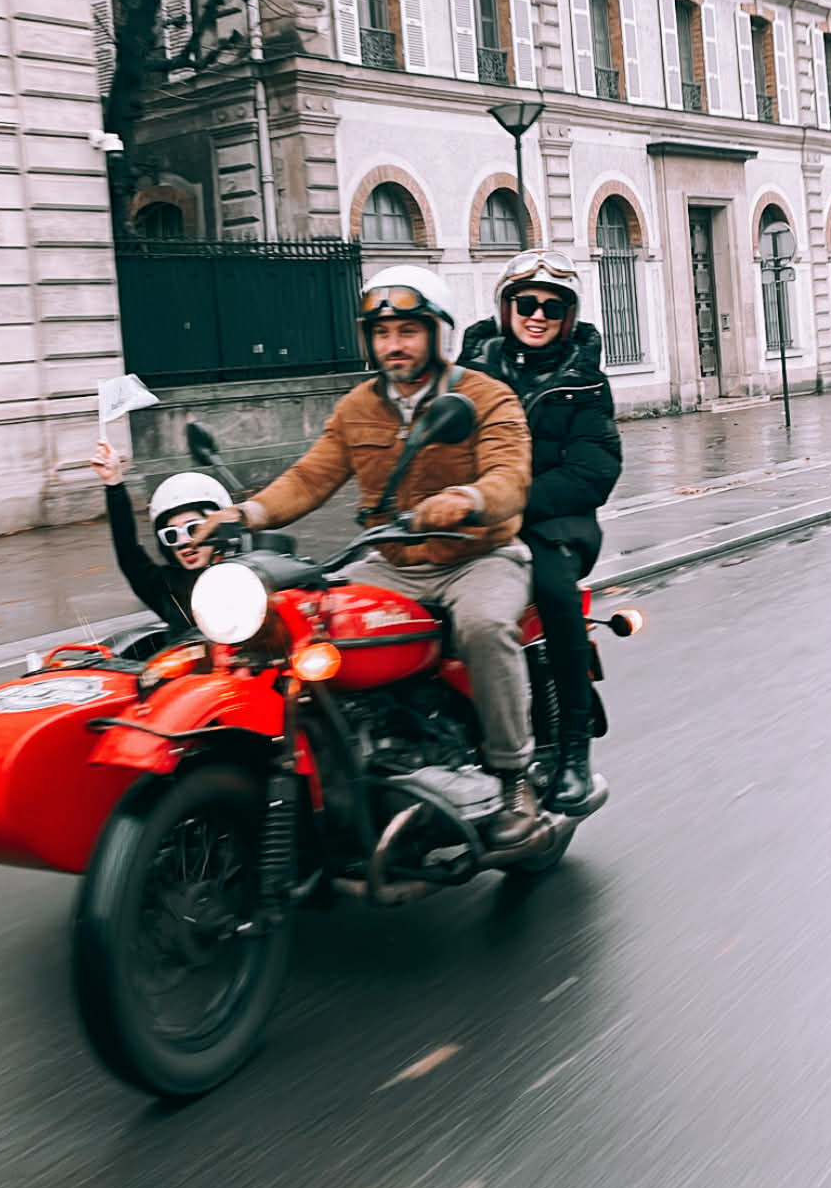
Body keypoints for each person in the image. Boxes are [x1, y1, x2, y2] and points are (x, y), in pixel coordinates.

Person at [192, 264, 539, 848]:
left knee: (482, 627)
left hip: (477, 556)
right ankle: (335, 763)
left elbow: (512, 476)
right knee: (296, 619)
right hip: (391, 561)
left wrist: (467, 498)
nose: (393, 345)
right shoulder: (358, 407)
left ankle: (513, 775)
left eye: (407, 330)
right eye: (381, 334)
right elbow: (310, 477)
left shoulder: (484, 396)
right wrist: (243, 514)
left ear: (437, 333)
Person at [458, 249, 623, 812]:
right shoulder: (470, 372)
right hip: (474, 518)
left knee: (555, 593)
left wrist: (509, 503)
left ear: (568, 317)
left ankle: (574, 749)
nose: (537, 315)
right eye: (526, 303)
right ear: (506, 308)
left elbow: (594, 470)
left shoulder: (584, 382)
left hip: (555, 524)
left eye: (551, 308)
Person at [90, 439, 229, 635]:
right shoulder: (165, 586)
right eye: (171, 534)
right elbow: (129, 554)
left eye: (193, 529)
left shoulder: (245, 572)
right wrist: (114, 484)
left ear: (218, 528)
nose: (183, 542)